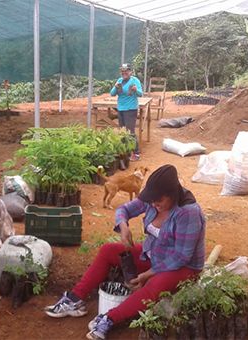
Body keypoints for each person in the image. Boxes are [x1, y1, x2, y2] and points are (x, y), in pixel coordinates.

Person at [43, 165, 205, 340]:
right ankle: (75, 299)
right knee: (108, 250)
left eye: (159, 200)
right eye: (152, 200)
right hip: (155, 253)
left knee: (154, 285)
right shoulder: (152, 198)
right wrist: (123, 226)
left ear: (173, 194)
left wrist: (148, 274)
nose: (153, 203)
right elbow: (123, 210)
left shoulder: (188, 212)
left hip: (183, 267)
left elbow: (181, 256)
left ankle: (109, 318)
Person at [110, 63, 144, 160]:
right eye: (123, 71)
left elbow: (140, 94)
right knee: (123, 132)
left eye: (126, 71)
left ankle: (136, 153)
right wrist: (115, 87)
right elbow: (112, 94)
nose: (124, 73)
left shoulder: (135, 80)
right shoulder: (119, 81)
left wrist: (135, 90)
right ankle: (126, 152)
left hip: (131, 109)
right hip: (120, 109)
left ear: (130, 72)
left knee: (130, 132)